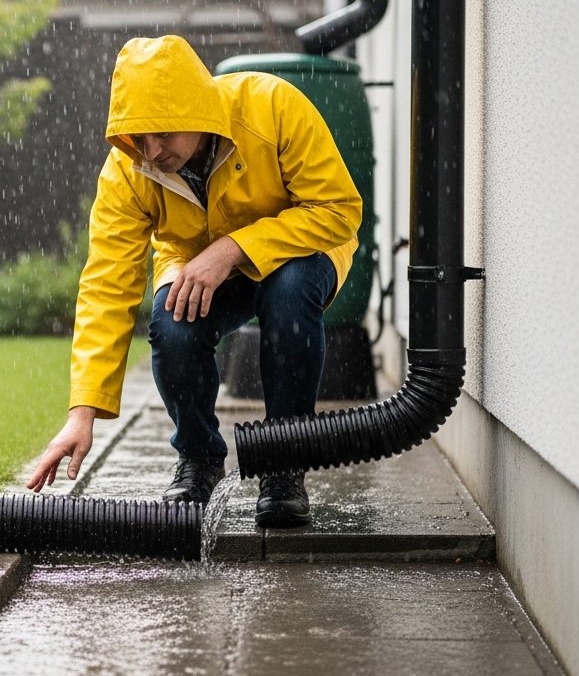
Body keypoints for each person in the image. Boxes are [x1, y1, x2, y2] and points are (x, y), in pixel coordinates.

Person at [25, 36, 362, 527]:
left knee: (287, 295)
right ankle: (200, 458)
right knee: (173, 325)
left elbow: (338, 211)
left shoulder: (273, 106)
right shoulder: (129, 169)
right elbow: (106, 283)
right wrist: (83, 412)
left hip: (299, 248)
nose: (152, 151)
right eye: (139, 137)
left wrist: (231, 249)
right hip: (193, 259)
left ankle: (284, 462)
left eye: (163, 132)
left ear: (199, 110)